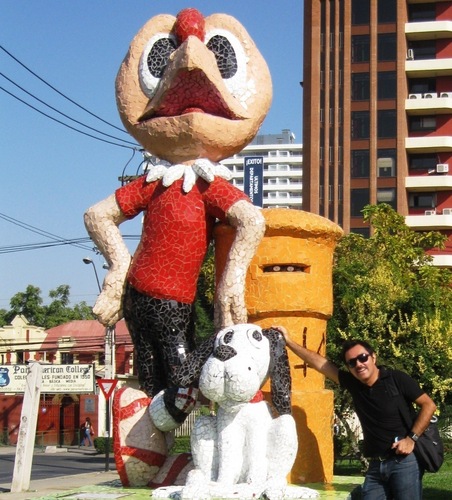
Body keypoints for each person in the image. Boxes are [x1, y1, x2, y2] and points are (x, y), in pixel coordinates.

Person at [275, 326, 437, 500]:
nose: (358, 364)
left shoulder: (396, 379)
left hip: (404, 462)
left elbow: (429, 405)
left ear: (373, 357)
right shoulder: (354, 384)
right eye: (352, 362)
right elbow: (320, 364)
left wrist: (411, 438)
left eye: (362, 358)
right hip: (376, 464)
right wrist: (289, 341)